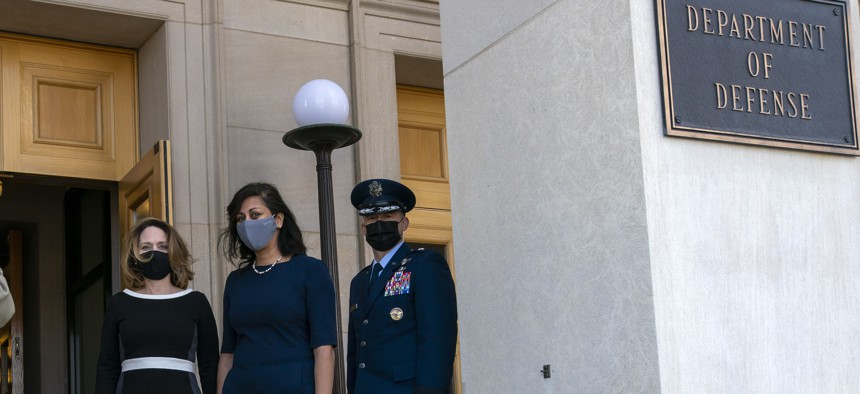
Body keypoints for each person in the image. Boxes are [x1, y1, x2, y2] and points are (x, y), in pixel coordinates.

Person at [217, 182, 337, 394]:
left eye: (255, 215)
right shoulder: (236, 280)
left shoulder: (310, 271)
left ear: (278, 220)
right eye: (240, 218)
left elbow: (324, 348)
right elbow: (228, 353)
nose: (247, 223)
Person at [346, 179, 458, 394]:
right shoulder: (360, 281)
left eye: (387, 216)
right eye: (372, 218)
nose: (379, 223)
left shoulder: (424, 265)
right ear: (363, 228)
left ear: (404, 223)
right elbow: (356, 351)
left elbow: (437, 339)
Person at [95, 217, 219, 394]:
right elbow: (107, 366)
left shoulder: (196, 302)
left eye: (162, 246)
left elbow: (210, 365)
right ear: (134, 255)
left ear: (174, 251)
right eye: (146, 247)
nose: (154, 252)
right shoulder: (119, 303)